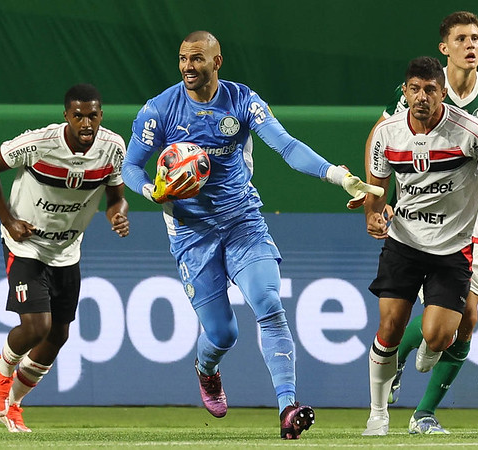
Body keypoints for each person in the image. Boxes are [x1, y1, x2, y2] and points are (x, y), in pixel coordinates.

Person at [120, 31, 381, 440]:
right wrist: (150, 190)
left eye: (197, 58)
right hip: (191, 233)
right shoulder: (159, 109)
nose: (188, 66)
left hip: (242, 220)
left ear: (217, 61)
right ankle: (206, 369)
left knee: (269, 303)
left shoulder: (242, 100)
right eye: (183, 59)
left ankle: (288, 407)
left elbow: (286, 146)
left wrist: (336, 175)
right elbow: (130, 166)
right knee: (223, 333)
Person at [349, 10, 478, 435]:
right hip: (408, 228)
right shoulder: (403, 109)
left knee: (463, 321)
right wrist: (375, 206)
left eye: (476, 38)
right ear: (444, 48)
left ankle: (425, 394)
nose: (471, 46)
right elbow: (382, 147)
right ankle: (386, 406)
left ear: (442, 91)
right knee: (391, 323)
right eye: (462, 38)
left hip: (464, 221)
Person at [0, 84, 130, 433]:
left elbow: (115, 198)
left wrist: (117, 214)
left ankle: (13, 403)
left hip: (67, 250)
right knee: (37, 327)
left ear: (101, 115)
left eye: (92, 115)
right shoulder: (38, 143)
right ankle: (0, 374)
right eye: (78, 116)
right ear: (66, 116)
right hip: (26, 245)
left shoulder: (113, 148)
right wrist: (9, 221)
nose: (86, 123)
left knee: (58, 335)